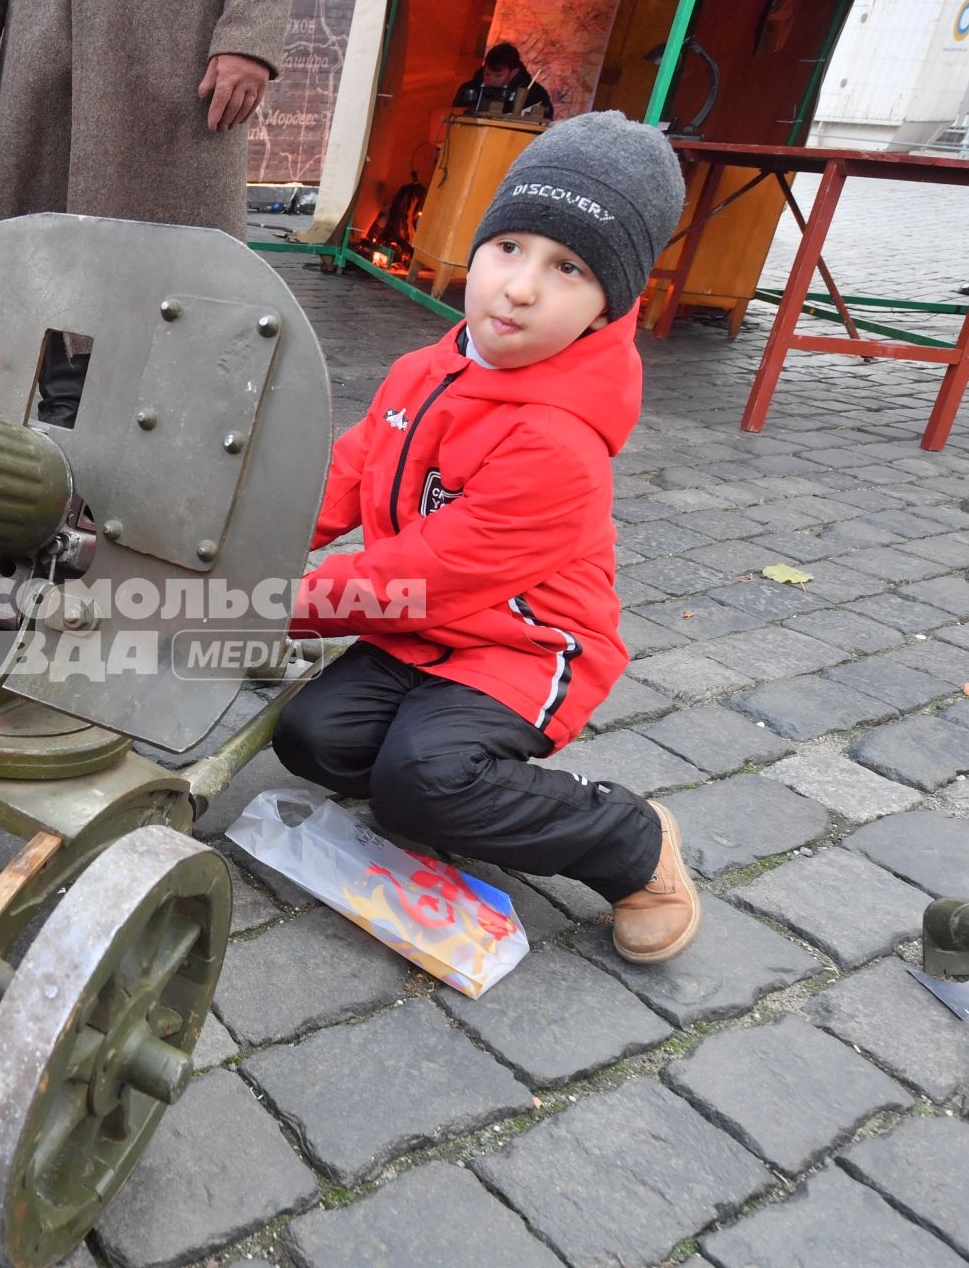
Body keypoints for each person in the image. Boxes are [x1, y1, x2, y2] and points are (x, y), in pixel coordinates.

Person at [272, 111, 697, 964]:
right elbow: (344, 478)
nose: (521, 288)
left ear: (608, 306)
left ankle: (630, 843)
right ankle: (446, 791)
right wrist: (244, 532)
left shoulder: (561, 445)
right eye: (510, 248)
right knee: (309, 737)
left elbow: (425, 573)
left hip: (521, 645)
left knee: (424, 782)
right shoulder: (424, 370)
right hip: (424, 637)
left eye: (567, 269)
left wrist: (266, 599)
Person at [0, 0, 291, 425]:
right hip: (46, 63)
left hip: (178, 63)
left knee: (182, 289)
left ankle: (159, 445)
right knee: (42, 262)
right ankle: (65, 437)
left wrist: (249, 36)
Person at [451, 41, 553, 119]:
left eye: (498, 76)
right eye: (487, 74)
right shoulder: (469, 89)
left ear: (514, 72)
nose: (490, 80)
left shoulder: (534, 95)